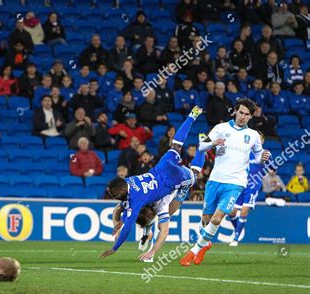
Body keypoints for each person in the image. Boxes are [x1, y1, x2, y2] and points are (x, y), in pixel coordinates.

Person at [99, 106, 205, 258]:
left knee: (194, 173)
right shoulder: (128, 181)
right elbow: (121, 209)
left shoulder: (137, 200)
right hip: (162, 166)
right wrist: (119, 222)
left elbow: (128, 224)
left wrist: (115, 247)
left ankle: (202, 147)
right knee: (176, 145)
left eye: (115, 194)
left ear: (122, 191)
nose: (114, 196)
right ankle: (192, 116)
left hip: (174, 179)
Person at [180, 99, 270, 266]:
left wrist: (263, 158)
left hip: (235, 183)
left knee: (217, 218)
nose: (243, 117)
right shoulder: (221, 128)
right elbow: (201, 147)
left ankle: (193, 251)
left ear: (250, 117)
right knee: (206, 219)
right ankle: (205, 245)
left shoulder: (253, 136)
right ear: (235, 111)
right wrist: (213, 143)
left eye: (247, 114)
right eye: (241, 112)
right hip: (215, 180)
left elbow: (258, 157)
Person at [227, 132, 267, 247]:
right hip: (241, 183)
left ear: (262, 141)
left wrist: (268, 164)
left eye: (260, 139)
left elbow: (272, 169)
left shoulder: (264, 153)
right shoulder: (245, 151)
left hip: (253, 185)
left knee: (244, 210)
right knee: (232, 212)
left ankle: (235, 238)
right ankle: (237, 230)